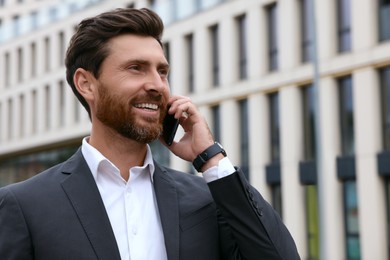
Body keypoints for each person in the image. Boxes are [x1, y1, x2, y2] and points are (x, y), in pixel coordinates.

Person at [0, 8, 300, 260]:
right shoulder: (24, 206)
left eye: (162, 71)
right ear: (86, 84)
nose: (157, 85)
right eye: (136, 68)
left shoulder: (206, 199)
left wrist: (211, 159)